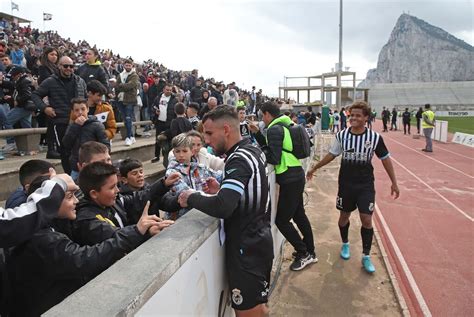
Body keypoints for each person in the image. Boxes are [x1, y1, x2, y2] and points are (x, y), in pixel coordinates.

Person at [6, 173, 170, 316]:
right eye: (69, 196)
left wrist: (141, 232)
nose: (76, 200)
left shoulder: (61, 223)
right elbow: (84, 259)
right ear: (48, 203)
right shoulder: (43, 238)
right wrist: (137, 232)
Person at [177, 106, 273, 316]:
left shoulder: (238, 159)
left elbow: (223, 207)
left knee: (248, 312)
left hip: (247, 250)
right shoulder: (252, 149)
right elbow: (247, 193)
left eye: (209, 133)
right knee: (259, 308)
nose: (206, 140)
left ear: (226, 129)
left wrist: (190, 196)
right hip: (258, 242)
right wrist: (222, 190)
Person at [306, 101, 399, 273]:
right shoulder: (342, 136)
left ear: (366, 118)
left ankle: (366, 255)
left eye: (358, 115)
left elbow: (385, 159)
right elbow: (332, 155)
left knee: (366, 219)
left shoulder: (375, 138)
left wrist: (394, 182)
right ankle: (345, 244)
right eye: (352, 115)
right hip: (346, 184)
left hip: (365, 185)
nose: (353, 118)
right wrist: (314, 167)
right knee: (343, 217)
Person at [252, 101, 317, 271]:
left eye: (261, 116)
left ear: (267, 114)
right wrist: (259, 134)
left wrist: (258, 153)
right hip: (295, 174)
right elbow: (277, 147)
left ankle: (303, 253)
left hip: (289, 177)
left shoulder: (274, 128)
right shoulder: (286, 124)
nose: (262, 119)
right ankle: (310, 251)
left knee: (281, 220)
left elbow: (273, 157)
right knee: (299, 216)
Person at [72, 162, 180, 245]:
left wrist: (164, 184)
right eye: (111, 187)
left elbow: (138, 198)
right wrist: (140, 230)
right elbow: (116, 237)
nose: (117, 190)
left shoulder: (113, 201)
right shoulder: (88, 220)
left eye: (116, 185)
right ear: (94, 194)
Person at [31, 56, 87, 172]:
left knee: (81, 150)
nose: (69, 68)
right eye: (65, 66)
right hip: (60, 121)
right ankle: (69, 175)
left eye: (71, 66)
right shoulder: (50, 81)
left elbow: (86, 98)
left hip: (79, 121)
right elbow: (35, 95)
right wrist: (45, 108)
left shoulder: (80, 81)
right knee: (64, 151)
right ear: (59, 66)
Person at [163, 134, 223, 219]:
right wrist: (214, 198)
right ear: (173, 152)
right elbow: (186, 194)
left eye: (184, 151)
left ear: (192, 152)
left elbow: (220, 176)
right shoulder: (172, 172)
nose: (181, 155)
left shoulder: (200, 168)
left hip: (199, 215)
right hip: (180, 220)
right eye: (177, 151)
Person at [62, 98, 110, 180]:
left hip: (94, 166)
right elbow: (66, 143)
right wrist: (76, 126)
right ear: (73, 112)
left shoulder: (97, 125)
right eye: (76, 110)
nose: (80, 112)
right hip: (76, 166)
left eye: (83, 109)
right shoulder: (72, 126)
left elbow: (105, 145)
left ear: (87, 109)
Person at [115, 59, 140, 146]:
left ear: (132, 66)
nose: (128, 67)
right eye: (126, 65)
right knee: (125, 119)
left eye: (129, 65)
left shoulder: (134, 75)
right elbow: (117, 86)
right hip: (120, 99)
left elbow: (131, 85)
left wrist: (122, 85)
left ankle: (128, 137)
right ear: (124, 65)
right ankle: (132, 137)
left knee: (128, 118)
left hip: (129, 100)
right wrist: (122, 86)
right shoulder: (120, 75)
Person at [151, 83, 177, 165]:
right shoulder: (158, 98)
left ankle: (168, 158)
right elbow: (153, 106)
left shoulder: (174, 99)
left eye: (170, 90)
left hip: (169, 123)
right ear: (163, 90)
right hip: (159, 121)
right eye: (167, 89)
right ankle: (156, 155)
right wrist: (155, 111)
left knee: (168, 141)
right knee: (157, 140)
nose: (169, 91)